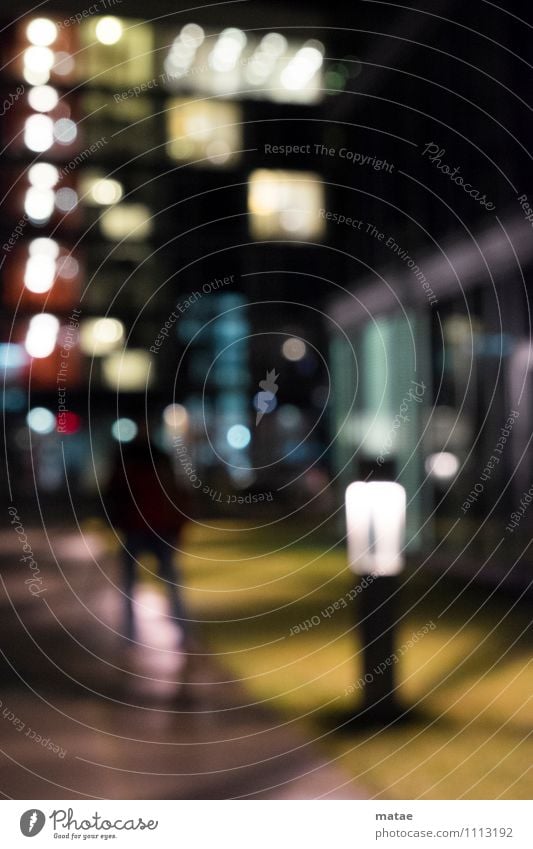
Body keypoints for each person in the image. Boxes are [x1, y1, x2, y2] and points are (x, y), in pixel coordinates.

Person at [106, 424, 192, 648]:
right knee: (167, 581)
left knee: (138, 583)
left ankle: (135, 633)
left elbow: (113, 493)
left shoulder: (130, 459)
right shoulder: (154, 458)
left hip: (148, 528)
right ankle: (177, 630)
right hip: (147, 528)